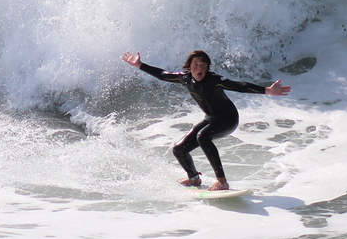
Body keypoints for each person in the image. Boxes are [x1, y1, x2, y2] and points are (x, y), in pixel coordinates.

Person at [121, 49, 290, 191]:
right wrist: (139, 65)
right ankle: (194, 178)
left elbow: (239, 85)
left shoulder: (214, 80)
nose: (199, 68)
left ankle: (222, 181)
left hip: (228, 118)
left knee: (203, 137)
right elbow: (162, 74)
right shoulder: (184, 77)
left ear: (208, 67)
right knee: (179, 150)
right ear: (189, 67)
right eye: (196, 64)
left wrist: (267, 90)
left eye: (203, 65)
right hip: (211, 118)